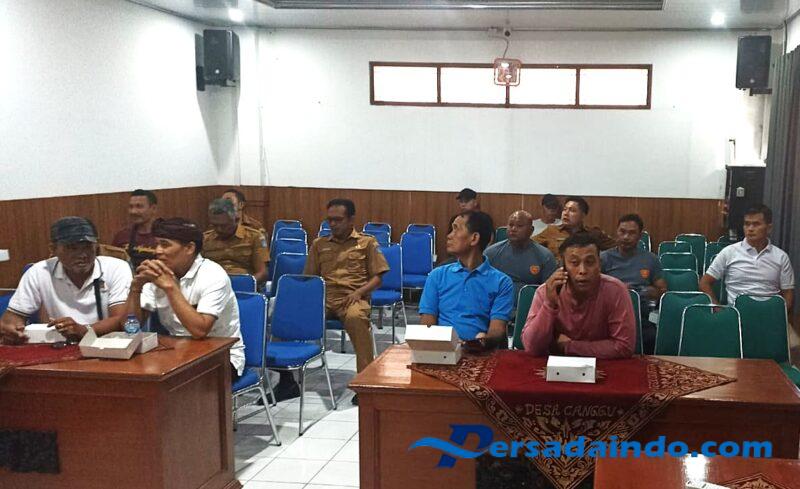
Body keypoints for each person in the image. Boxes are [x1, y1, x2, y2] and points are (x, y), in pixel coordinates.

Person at [126, 218, 245, 381]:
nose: (157, 251)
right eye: (157, 244)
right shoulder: (157, 273)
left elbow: (199, 331)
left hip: (220, 357)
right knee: (132, 375)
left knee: (172, 385)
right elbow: (130, 327)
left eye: (165, 245)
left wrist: (170, 287)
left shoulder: (213, 275)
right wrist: (135, 289)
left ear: (189, 248)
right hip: (178, 352)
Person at [297, 198, 389, 405]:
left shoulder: (367, 243)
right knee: (288, 316)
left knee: (357, 319)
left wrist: (360, 292)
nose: (333, 224)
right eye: (330, 220)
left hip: (353, 298)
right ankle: (286, 380)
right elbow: (309, 277)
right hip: (325, 298)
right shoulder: (319, 244)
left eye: (338, 220)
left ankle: (365, 385)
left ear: (351, 220)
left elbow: (378, 278)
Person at [0, 217, 132, 344]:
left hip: (106, 344)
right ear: (53, 249)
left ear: (96, 245)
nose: (82, 254)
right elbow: (11, 320)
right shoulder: (38, 272)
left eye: (87, 246)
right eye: (72, 248)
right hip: (58, 346)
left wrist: (85, 330)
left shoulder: (117, 268)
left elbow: (121, 319)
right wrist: (11, 330)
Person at [522, 233, 635, 359]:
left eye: (590, 262)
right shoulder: (547, 291)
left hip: (604, 365)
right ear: (563, 266)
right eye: (574, 263)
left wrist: (569, 346)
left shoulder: (616, 290)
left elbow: (624, 347)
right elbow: (532, 347)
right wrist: (549, 304)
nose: (582, 270)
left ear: (599, 264)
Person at [419, 211, 514, 347]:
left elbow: (497, 330)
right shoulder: (437, 275)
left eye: (456, 229)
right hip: (442, 349)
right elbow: (427, 323)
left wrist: (482, 341)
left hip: (479, 350)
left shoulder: (502, 282)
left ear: (474, 238)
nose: (449, 235)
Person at [701, 204, 794, 309]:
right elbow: (704, 282)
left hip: (769, 313)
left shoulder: (781, 257)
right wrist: (717, 308)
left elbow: (788, 292)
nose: (750, 229)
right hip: (737, 313)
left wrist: (781, 314)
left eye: (756, 224)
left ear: (769, 228)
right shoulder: (729, 252)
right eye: (747, 224)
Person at [601, 214, 666, 353]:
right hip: (608, 316)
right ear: (616, 232)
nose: (626, 237)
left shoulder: (651, 259)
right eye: (622, 232)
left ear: (639, 236)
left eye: (631, 233)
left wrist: (650, 292)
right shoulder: (604, 258)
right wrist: (618, 289)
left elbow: (662, 290)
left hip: (641, 317)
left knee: (654, 338)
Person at [484, 210, 557, 306]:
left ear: (531, 230)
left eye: (519, 226)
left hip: (529, 309)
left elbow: (549, 292)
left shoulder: (545, 256)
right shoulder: (490, 253)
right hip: (494, 307)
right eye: (510, 225)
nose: (513, 229)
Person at [203, 199, 269, 284]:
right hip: (213, 284)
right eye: (215, 225)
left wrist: (246, 284)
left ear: (235, 219)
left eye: (224, 226)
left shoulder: (254, 237)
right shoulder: (204, 239)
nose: (219, 229)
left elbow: (262, 273)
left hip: (243, 284)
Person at [534, 195, 616, 258]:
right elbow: (531, 244)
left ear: (583, 215)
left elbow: (616, 247)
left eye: (572, 210)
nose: (566, 213)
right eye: (565, 209)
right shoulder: (551, 230)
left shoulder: (593, 233)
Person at [112, 189, 159, 268]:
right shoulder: (122, 236)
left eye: (139, 206)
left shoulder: (165, 236)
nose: (133, 211)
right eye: (131, 207)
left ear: (153, 208)